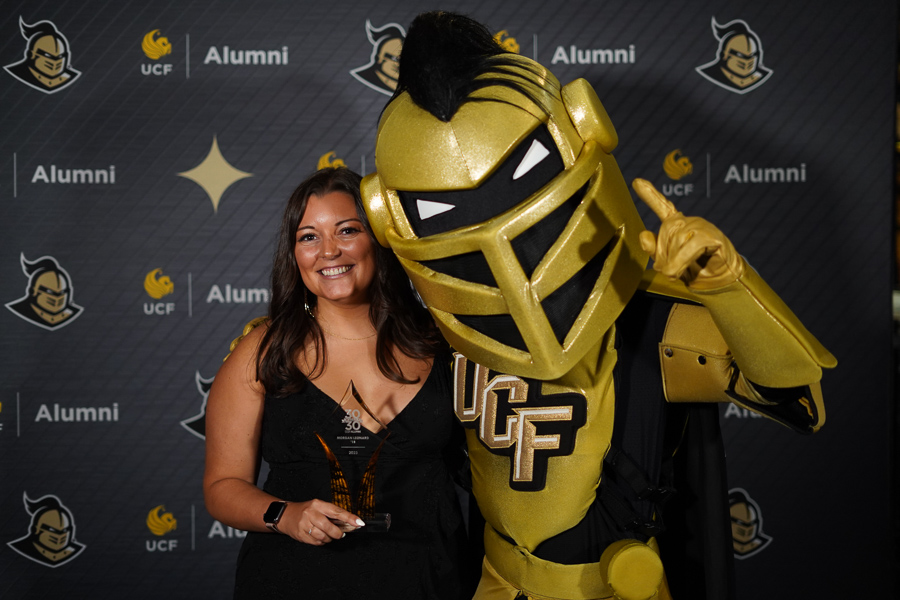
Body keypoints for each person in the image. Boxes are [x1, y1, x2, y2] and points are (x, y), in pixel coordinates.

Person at [361, 12, 835, 600]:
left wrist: (728, 289)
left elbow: (798, 400)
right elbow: (364, 367)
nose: (507, 264)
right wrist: (287, 343)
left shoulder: (647, 321)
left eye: (521, 177)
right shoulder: (446, 332)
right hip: (494, 579)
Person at [204, 167, 473, 599]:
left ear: (377, 238)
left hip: (428, 579)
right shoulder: (262, 351)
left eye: (346, 230)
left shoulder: (444, 340)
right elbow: (222, 488)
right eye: (309, 237)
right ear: (294, 255)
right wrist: (285, 514)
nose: (328, 251)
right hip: (294, 581)